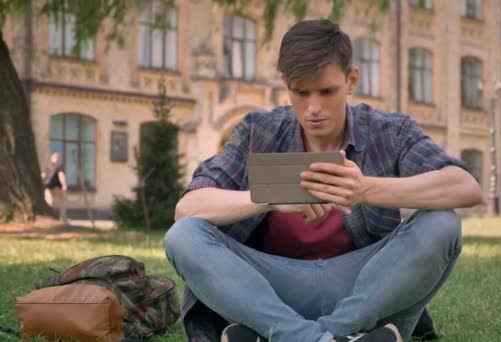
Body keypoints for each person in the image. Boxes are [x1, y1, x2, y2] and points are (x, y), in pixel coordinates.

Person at [165, 19, 481, 342]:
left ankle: (296, 335)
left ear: (351, 80)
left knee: (443, 224)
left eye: (327, 91)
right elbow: (187, 208)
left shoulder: (389, 131)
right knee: (183, 236)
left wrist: (364, 190)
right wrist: (268, 198)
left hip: (361, 287)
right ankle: (329, 338)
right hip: (270, 288)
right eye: (300, 92)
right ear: (287, 86)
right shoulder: (257, 130)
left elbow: (465, 187)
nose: (313, 108)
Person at [41, 152, 68, 222]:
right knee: (62, 201)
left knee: (49, 201)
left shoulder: (48, 166)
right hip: (57, 187)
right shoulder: (59, 166)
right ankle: (63, 218)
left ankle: (49, 217)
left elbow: (43, 175)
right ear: (58, 159)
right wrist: (64, 185)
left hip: (47, 186)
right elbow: (61, 175)